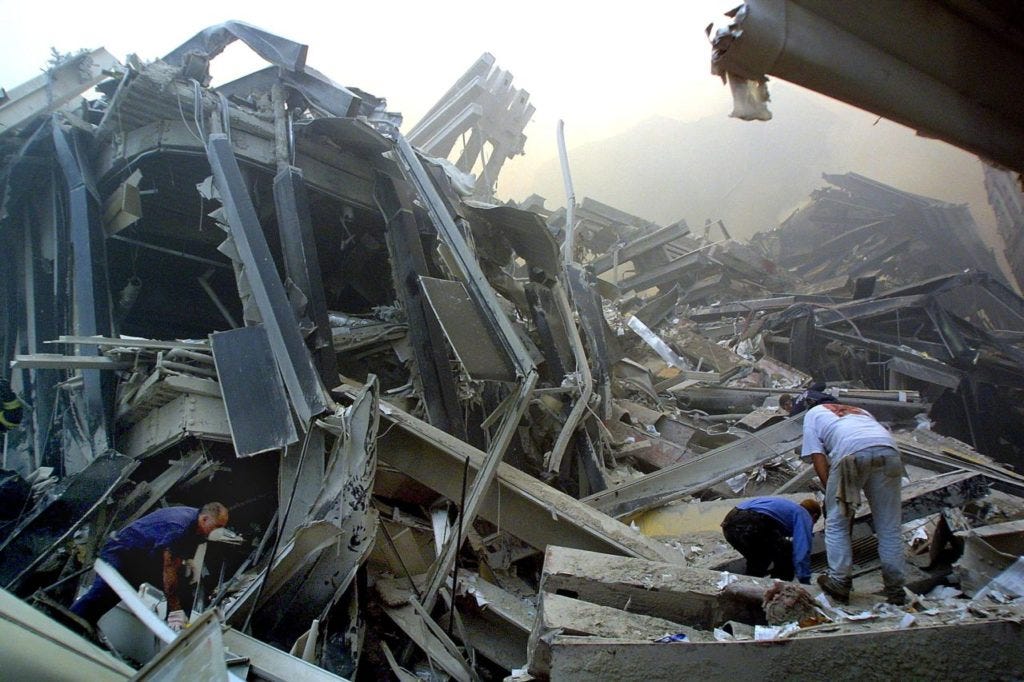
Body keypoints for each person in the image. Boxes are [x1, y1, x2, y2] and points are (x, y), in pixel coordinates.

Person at [797, 398, 906, 605]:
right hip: (889, 451)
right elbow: (874, 439)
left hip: (851, 453)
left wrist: (831, 493)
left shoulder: (812, 415)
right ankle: (896, 589)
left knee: (837, 524)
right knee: (889, 526)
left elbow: (818, 456)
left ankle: (839, 581)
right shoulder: (861, 411)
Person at [71, 502, 229, 630]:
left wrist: (189, 563)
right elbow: (169, 569)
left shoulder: (200, 529)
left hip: (143, 559)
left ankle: (176, 632)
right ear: (205, 519)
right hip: (122, 553)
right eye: (217, 526)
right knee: (101, 594)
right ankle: (69, 623)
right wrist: (175, 609)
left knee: (182, 590)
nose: (219, 531)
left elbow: (185, 551)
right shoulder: (179, 527)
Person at [721, 497, 820, 583]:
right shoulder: (804, 514)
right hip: (749, 520)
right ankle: (780, 589)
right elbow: (802, 548)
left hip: (729, 524)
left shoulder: (788, 508)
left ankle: (749, 588)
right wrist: (804, 579)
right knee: (787, 551)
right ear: (814, 516)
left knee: (759, 559)